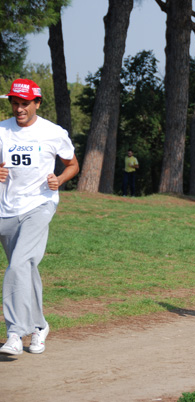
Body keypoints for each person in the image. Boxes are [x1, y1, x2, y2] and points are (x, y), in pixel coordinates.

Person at [0, 79, 79, 355]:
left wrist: (59, 179)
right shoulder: (1, 131)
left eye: (24, 103)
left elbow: (72, 164)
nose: (19, 109)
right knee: (23, 269)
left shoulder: (53, 132)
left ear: (37, 103)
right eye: (14, 103)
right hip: (7, 209)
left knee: (18, 264)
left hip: (40, 205)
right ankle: (39, 326)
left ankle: (14, 333)